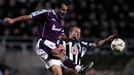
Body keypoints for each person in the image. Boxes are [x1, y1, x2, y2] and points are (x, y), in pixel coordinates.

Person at [3, 1, 81, 75]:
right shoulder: (47, 13)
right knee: (60, 53)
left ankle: (75, 69)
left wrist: (70, 39)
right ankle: (77, 67)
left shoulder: (61, 21)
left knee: (63, 73)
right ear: (57, 7)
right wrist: (13, 20)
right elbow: (29, 16)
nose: (64, 12)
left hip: (52, 47)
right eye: (62, 9)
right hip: (43, 43)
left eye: (66, 10)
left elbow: (62, 36)